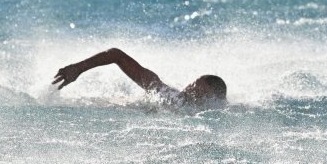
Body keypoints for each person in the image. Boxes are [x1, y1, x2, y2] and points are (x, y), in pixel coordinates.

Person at [52, 47, 227, 105]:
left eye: (198, 90)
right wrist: (78, 68)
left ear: (212, 99)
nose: (190, 89)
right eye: (192, 85)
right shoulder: (165, 94)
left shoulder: (216, 113)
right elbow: (116, 55)